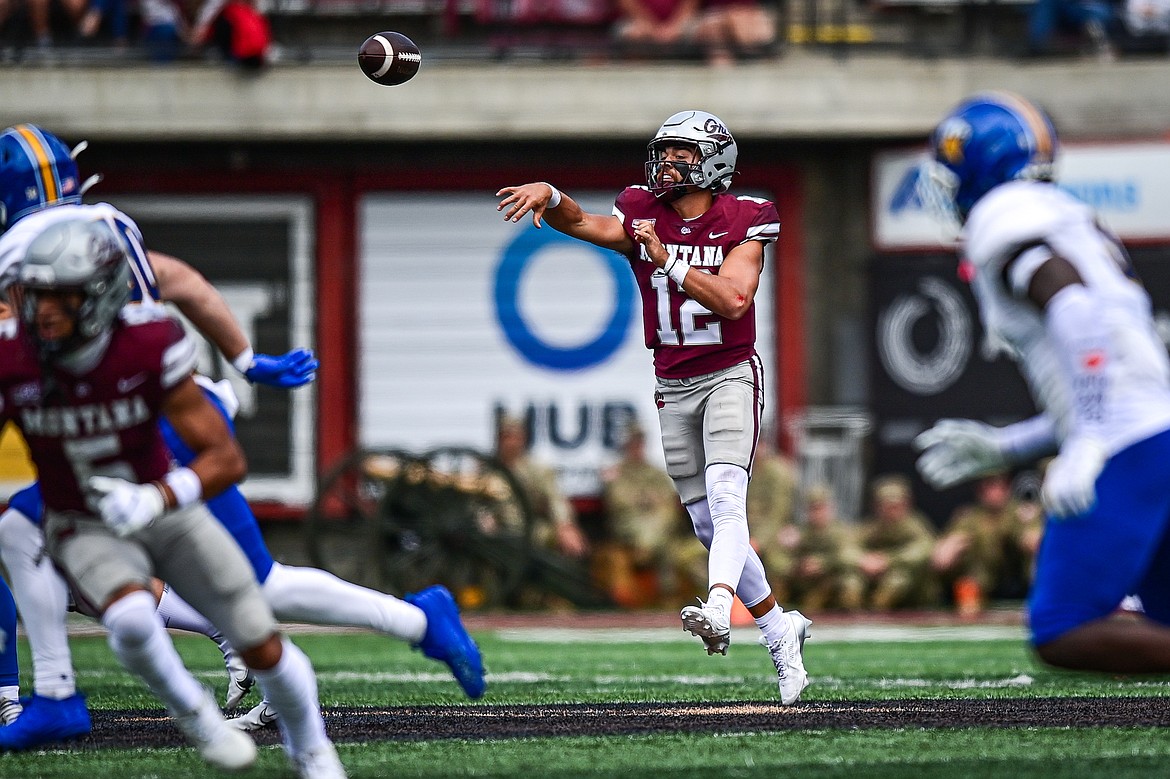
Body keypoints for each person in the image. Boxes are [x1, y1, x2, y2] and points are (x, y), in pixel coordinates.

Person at [0, 124, 485, 747]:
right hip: (179, 402)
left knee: (23, 529)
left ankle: (55, 693)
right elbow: (182, 282)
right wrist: (249, 359)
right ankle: (421, 620)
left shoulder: (21, 248)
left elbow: (20, 336)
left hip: (134, 417)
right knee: (258, 583)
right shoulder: (109, 224)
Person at [0, 216, 344, 776]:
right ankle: (196, 720)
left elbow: (226, 459)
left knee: (260, 639)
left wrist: (158, 497)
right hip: (80, 519)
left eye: (59, 297)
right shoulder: (14, 358)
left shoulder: (149, 343)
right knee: (124, 617)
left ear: (101, 294)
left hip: (164, 506)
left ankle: (314, 753)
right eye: (34, 296)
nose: (44, 312)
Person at [496, 109, 811, 705]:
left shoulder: (747, 217)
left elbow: (735, 300)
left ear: (714, 161)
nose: (667, 163)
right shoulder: (642, 208)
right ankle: (778, 626)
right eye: (664, 152)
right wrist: (552, 193)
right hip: (672, 382)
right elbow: (586, 223)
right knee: (703, 522)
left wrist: (667, 259)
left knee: (725, 498)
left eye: (682, 154)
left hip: (728, 375)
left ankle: (720, 605)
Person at [914, 91, 1170, 674]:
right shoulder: (1058, 214)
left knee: (1063, 625)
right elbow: (1105, 367)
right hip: (1157, 433)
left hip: (1129, 445)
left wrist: (1091, 439)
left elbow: (1076, 309)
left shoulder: (1005, 215)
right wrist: (1009, 447)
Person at [596, 420, 686, 608]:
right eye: (633, 442)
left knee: (662, 522)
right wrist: (646, 500)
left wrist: (644, 501)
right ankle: (649, 548)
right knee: (651, 527)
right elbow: (618, 502)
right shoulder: (617, 472)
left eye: (640, 442)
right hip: (628, 528)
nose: (637, 447)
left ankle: (648, 549)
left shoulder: (656, 473)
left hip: (656, 529)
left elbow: (668, 503)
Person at [930, 470, 1041, 616]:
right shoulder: (970, 517)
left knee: (1039, 555)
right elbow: (943, 556)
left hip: (1017, 574)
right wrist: (950, 546)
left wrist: (1028, 538)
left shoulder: (1020, 513)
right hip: (983, 577)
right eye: (988, 486)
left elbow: (1035, 541)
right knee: (972, 547)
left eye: (999, 485)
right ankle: (970, 598)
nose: (994, 492)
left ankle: (1042, 598)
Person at [856, 475, 938, 610]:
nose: (892, 510)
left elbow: (923, 550)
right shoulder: (872, 528)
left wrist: (887, 560)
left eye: (896, 505)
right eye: (886, 505)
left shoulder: (914, 526)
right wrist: (863, 560)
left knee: (897, 580)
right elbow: (847, 547)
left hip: (914, 590)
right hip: (874, 581)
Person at [787, 484, 864, 613]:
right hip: (803, 581)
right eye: (813, 509)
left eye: (821, 508)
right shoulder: (798, 533)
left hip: (833, 579)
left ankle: (852, 616)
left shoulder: (841, 532)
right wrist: (799, 566)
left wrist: (824, 563)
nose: (817, 513)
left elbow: (850, 557)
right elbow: (779, 558)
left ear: (831, 508)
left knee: (851, 583)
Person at [744, 431, 799, 597]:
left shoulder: (777, 472)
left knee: (778, 564)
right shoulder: (745, 470)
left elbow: (778, 513)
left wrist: (758, 541)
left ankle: (777, 603)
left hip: (775, 533)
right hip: (744, 532)